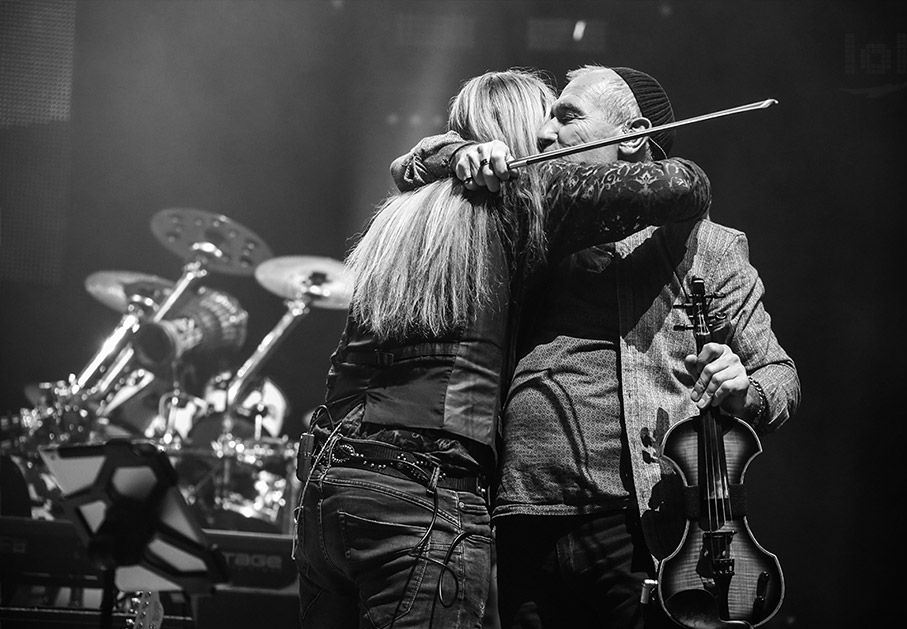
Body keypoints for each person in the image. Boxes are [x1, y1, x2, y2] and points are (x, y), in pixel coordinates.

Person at [292, 67, 712, 629]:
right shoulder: (528, 195)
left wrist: (431, 156)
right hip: (425, 492)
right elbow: (685, 185)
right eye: (545, 121)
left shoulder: (404, 210)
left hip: (328, 486)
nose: (547, 139)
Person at [393, 64, 800, 628]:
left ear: (631, 136)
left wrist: (742, 389)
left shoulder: (709, 246)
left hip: (643, 523)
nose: (542, 134)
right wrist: (457, 153)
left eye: (567, 116)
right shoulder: (535, 220)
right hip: (519, 515)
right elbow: (415, 164)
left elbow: (781, 377)